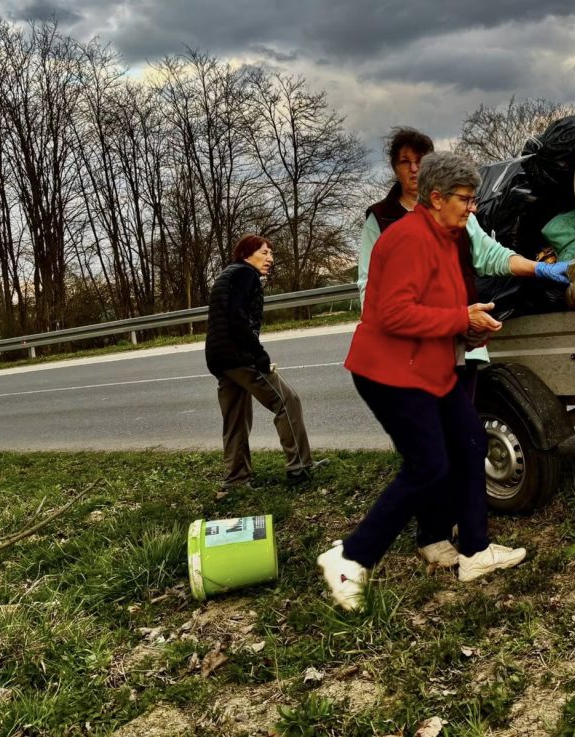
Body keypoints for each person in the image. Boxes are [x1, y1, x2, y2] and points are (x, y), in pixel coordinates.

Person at [317, 153, 528, 610]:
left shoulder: (448, 239)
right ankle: (350, 558)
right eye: (465, 200)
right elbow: (392, 313)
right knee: (429, 466)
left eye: (473, 200)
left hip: (432, 369)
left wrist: (468, 327)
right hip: (392, 375)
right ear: (436, 198)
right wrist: (458, 317)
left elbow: (440, 307)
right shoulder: (409, 239)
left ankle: (474, 552)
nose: (471, 209)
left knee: (471, 444)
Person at [358, 128, 569, 400]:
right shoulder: (381, 220)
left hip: (462, 342)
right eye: (404, 162)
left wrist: (539, 269)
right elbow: (368, 284)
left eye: (420, 161)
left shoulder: (456, 210)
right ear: (394, 167)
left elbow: (491, 255)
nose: (413, 169)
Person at [205, 235, 321, 487]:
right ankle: (299, 466)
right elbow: (237, 317)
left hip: (219, 358)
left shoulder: (228, 275)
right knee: (287, 401)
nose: (270, 259)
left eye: (271, 254)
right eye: (264, 253)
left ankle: (236, 479)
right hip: (239, 355)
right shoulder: (246, 274)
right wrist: (258, 354)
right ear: (247, 254)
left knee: (235, 420)